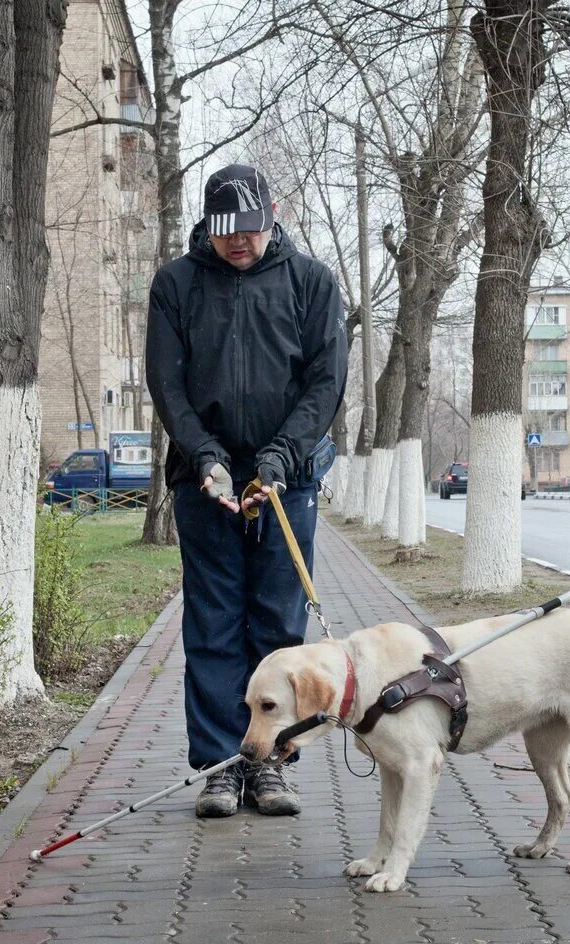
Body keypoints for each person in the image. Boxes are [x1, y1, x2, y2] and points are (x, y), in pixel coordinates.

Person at [145, 164, 347, 817]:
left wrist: (280, 457)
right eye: (227, 232)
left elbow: (325, 383)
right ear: (209, 224)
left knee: (280, 628)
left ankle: (273, 767)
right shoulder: (176, 285)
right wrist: (205, 457)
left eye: (251, 231)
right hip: (205, 483)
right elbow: (167, 384)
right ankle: (220, 767)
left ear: (273, 213)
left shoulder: (312, 284)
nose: (239, 244)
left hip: (285, 480)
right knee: (213, 624)